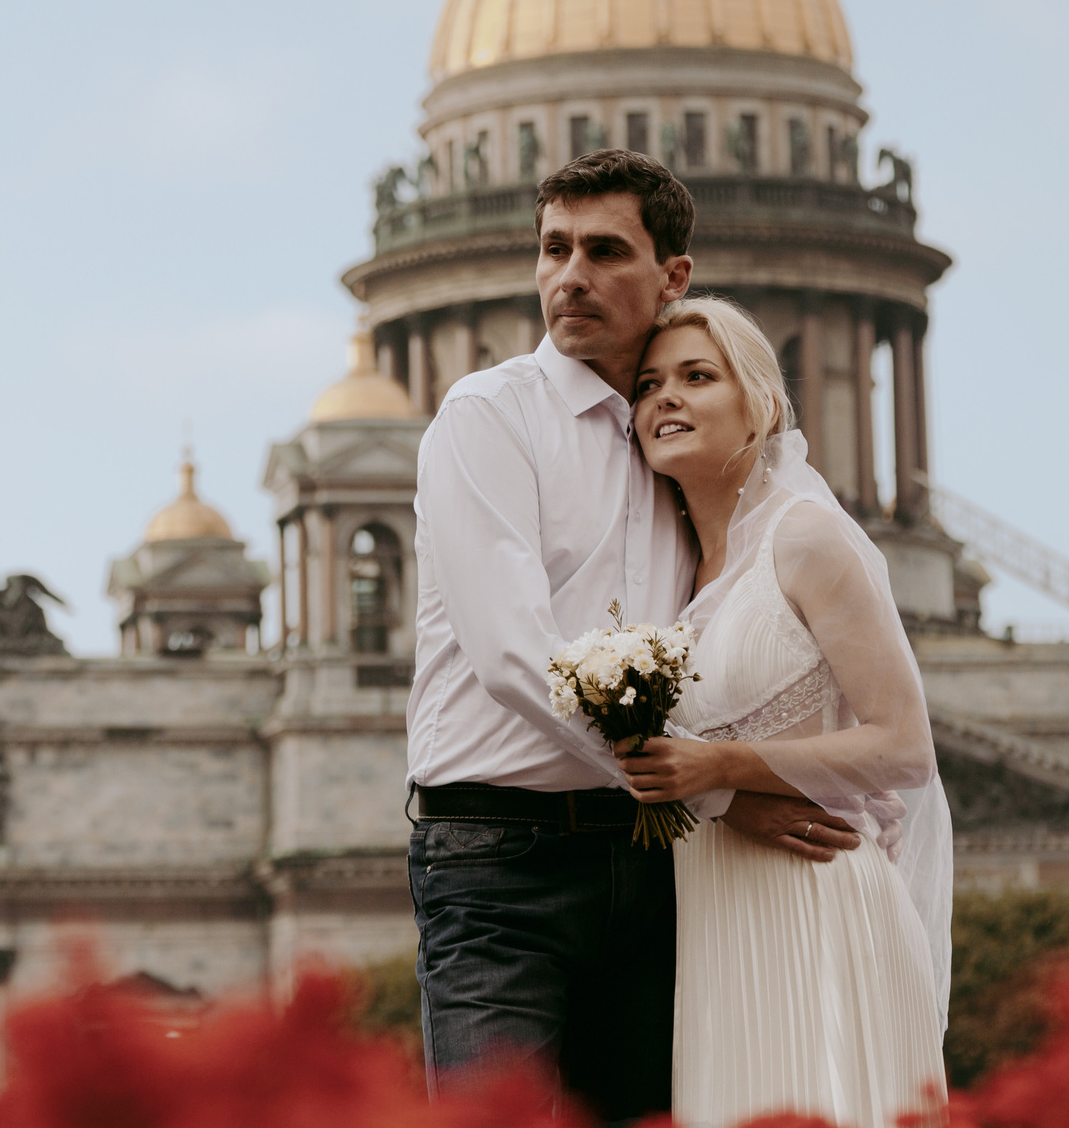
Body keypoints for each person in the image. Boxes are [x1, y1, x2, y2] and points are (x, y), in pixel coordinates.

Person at [407, 149, 867, 1125]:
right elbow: (513, 660)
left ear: (673, 276)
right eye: (552, 249)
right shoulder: (486, 419)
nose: (568, 275)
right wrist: (712, 794)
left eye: (603, 250)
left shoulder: (683, 444)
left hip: (656, 870)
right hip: (500, 865)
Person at [618, 294, 953, 1126]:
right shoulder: (672, 577)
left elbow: (906, 746)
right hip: (714, 918)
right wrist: (717, 793)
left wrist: (720, 767)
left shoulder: (806, 537)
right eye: (649, 382)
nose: (666, 397)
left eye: (698, 375)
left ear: (760, 403)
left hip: (816, 899)